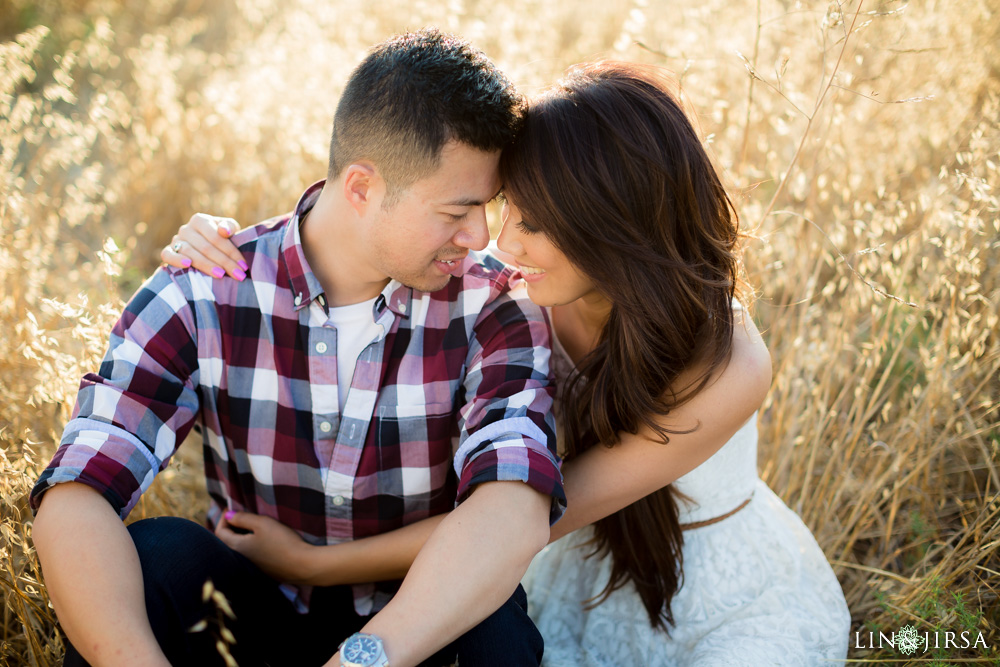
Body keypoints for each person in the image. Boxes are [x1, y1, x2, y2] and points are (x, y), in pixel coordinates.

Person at [168, 60, 852, 665]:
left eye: (533, 222)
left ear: (613, 225)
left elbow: (534, 517)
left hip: (718, 595)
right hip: (580, 577)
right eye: (505, 211)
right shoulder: (518, 303)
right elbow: (365, 227)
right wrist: (225, 241)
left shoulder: (731, 360)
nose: (501, 243)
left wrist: (317, 563)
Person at [30, 29, 567, 667]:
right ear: (363, 188)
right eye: (457, 211)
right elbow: (79, 490)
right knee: (159, 559)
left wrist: (362, 661)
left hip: (410, 626)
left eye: (488, 205)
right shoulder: (202, 291)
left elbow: (512, 506)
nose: (480, 235)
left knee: (497, 635)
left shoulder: (495, 307)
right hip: (250, 620)